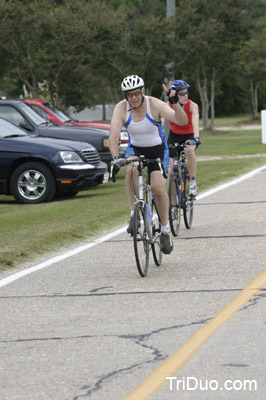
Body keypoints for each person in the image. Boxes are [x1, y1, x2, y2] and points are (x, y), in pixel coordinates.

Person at [109, 74, 188, 255]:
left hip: (158, 150)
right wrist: (115, 158)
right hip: (135, 149)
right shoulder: (121, 108)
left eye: (136, 93)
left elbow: (181, 121)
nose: (134, 98)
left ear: (143, 92)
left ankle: (165, 230)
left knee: (159, 189)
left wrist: (175, 102)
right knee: (130, 169)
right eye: (129, 95)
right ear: (125, 96)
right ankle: (133, 214)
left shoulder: (154, 104)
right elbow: (113, 135)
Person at [162, 79, 200, 196]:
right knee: (170, 170)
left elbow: (195, 123)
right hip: (174, 135)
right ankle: (173, 204)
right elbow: (161, 122)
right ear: (175, 94)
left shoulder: (192, 105)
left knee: (188, 150)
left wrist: (196, 138)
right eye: (182, 94)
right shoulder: (167, 106)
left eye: (186, 93)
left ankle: (192, 182)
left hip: (189, 135)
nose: (185, 96)